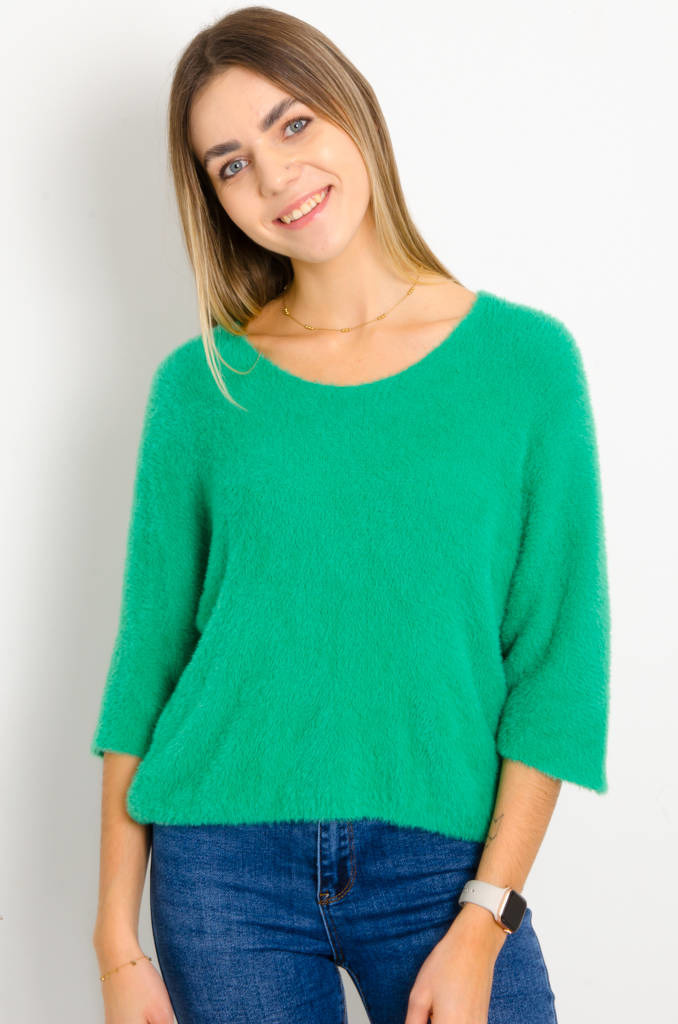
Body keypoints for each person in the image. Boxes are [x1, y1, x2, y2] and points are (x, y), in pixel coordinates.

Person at [90, 7, 610, 1024]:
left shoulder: (526, 365)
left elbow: (557, 667)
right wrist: (115, 939)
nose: (275, 177)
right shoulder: (202, 387)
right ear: (213, 197)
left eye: (292, 124)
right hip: (222, 869)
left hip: (444, 867)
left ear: (352, 112)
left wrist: (486, 917)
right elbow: (147, 664)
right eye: (231, 163)